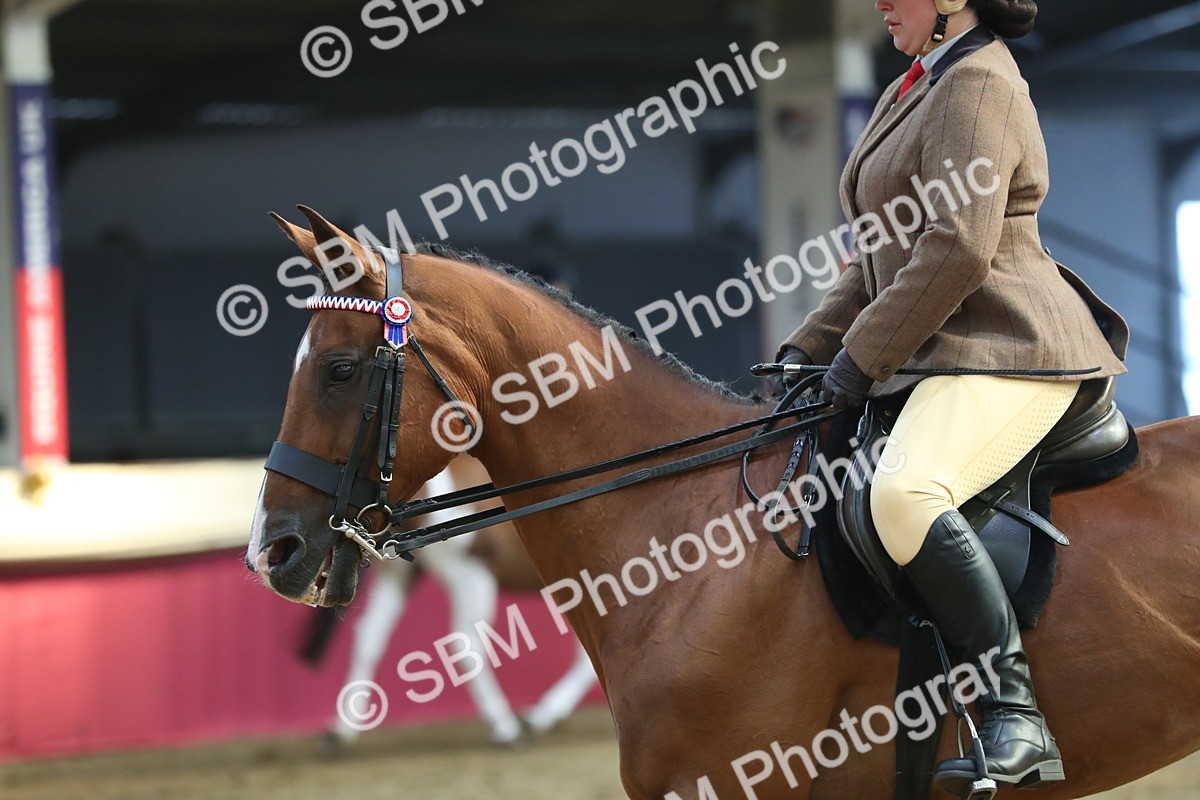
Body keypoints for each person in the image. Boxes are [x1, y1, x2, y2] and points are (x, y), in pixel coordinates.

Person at [774, 0, 1129, 794]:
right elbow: (876, 256)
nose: (879, 3)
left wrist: (857, 363)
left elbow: (958, 247)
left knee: (903, 493)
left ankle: (1014, 714)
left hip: (1010, 348)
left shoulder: (979, 83)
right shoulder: (914, 86)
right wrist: (809, 349)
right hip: (939, 355)